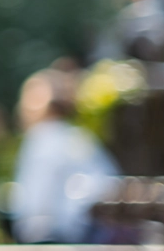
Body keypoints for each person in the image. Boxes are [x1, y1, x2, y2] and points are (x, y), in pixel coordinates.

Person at [10, 65, 118, 244]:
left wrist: (31, 234)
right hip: (92, 233)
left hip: (60, 236)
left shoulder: (42, 138)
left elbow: (37, 200)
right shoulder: (79, 137)